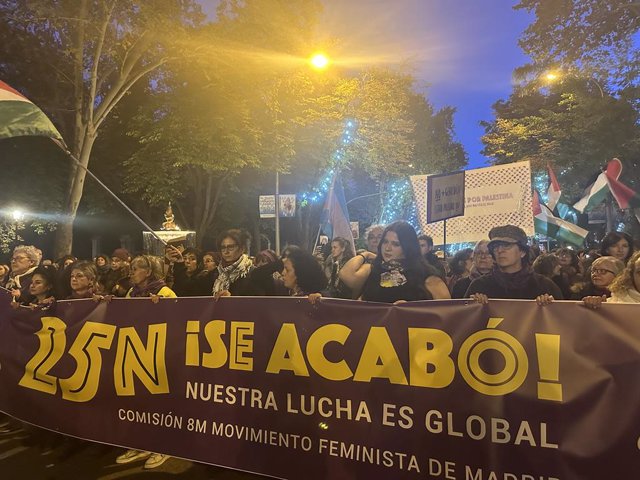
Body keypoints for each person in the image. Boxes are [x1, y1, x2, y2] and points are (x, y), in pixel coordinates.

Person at [116, 254, 176, 469]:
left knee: (158, 405)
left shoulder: (165, 293)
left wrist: (161, 310)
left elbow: (178, 322)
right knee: (138, 403)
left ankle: (164, 447)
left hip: (158, 356)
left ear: (148, 272)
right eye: (131, 267)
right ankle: (141, 444)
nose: (131, 271)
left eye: (136, 268)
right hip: (135, 352)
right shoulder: (132, 293)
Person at [339, 221, 450, 303]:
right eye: (385, 242)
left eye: (395, 244)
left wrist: (413, 311)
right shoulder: (374, 269)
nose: (387, 248)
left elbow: (446, 313)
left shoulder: (427, 276)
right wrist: (366, 254)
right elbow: (346, 275)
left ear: (408, 248)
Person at [466, 225, 562, 303]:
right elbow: (462, 321)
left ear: (522, 252)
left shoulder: (544, 286)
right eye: (495, 247)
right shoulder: (479, 286)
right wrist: (473, 306)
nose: (500, 250)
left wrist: (551, 307)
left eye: (507, 246)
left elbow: (564, 320)